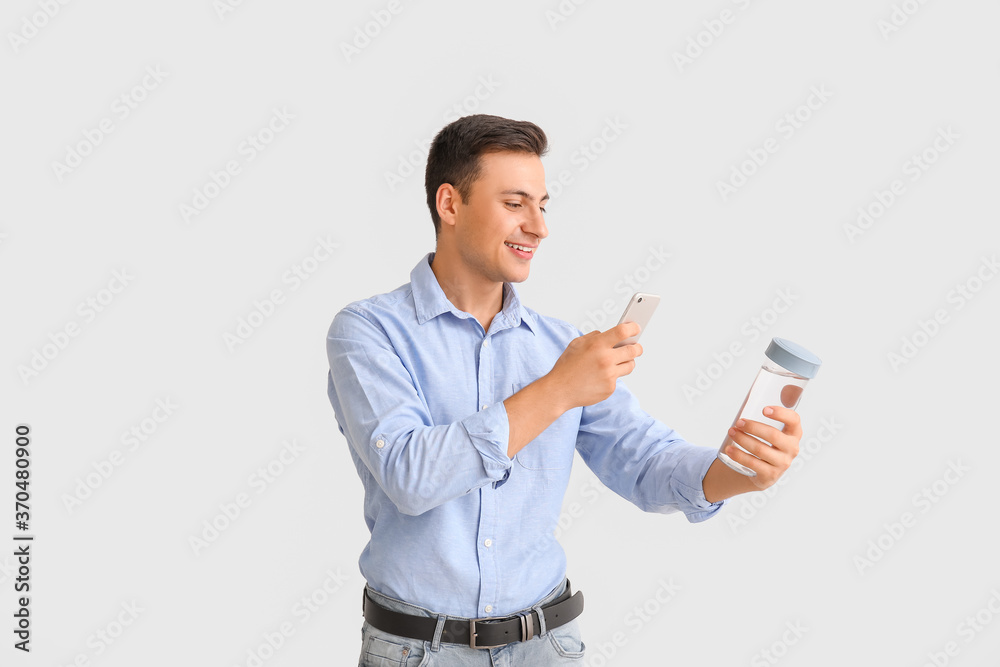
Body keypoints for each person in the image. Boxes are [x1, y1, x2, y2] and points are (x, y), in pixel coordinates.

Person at [325, 114, 803, 665]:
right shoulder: (368, 331)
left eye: (543, 205)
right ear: (450, 204)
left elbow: (646, 465)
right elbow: (411, 475)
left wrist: (738, 469)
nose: (539, 227)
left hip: (546, 647)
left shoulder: (562, 348)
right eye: (515, 203)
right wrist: (557, 389)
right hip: (418, 651)